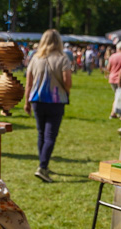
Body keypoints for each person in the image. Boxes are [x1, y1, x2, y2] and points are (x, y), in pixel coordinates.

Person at [24, 29, 72, 184]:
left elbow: (29, 83)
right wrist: (66, 90)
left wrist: (26, 102)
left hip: (37, 100)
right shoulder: (62, 59)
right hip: (56, 100)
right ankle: (43, 166)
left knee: (41, 134)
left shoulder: (35, 58)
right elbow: (67, 81)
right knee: (50, 136)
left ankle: (43, 164)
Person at [106, 42, 121, 119]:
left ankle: (115, 112)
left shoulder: (113, 56)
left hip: (112, 78)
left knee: (117, 95)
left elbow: (108, 68)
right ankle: (116, 113)